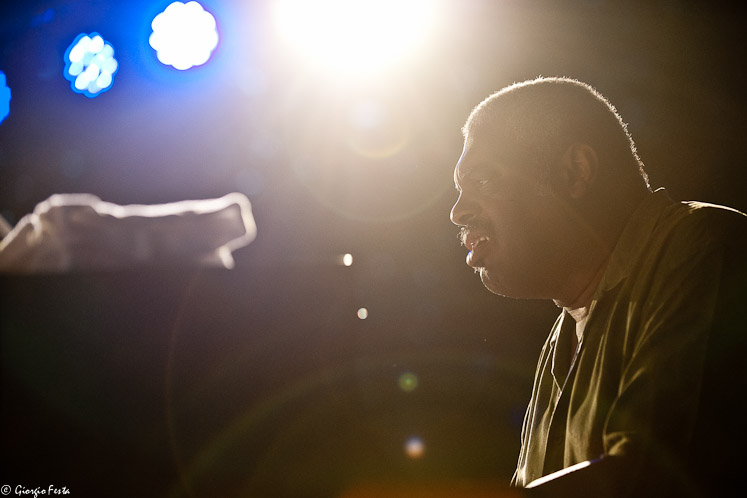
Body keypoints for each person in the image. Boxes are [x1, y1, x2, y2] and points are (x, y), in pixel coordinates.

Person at [450, 77, 747, 498]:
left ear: (574, 173)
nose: (457, 212)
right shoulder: (562, 336)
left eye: (482, 181)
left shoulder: (706, 247)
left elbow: (652, 476)